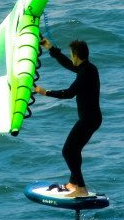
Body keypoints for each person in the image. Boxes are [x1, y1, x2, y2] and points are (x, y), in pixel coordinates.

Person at [34, 38, 102, 198]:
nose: (71, 58)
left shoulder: (85, 73)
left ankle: (82, 188)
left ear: (76, 56)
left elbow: (69, 93)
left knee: (68, 151)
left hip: (89, 120)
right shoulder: (88, 68)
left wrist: (46, 92)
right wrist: (52, 49)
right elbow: (68, 65)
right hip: (92, 118)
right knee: (74, 150)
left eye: (72, 55)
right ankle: (73, 183)